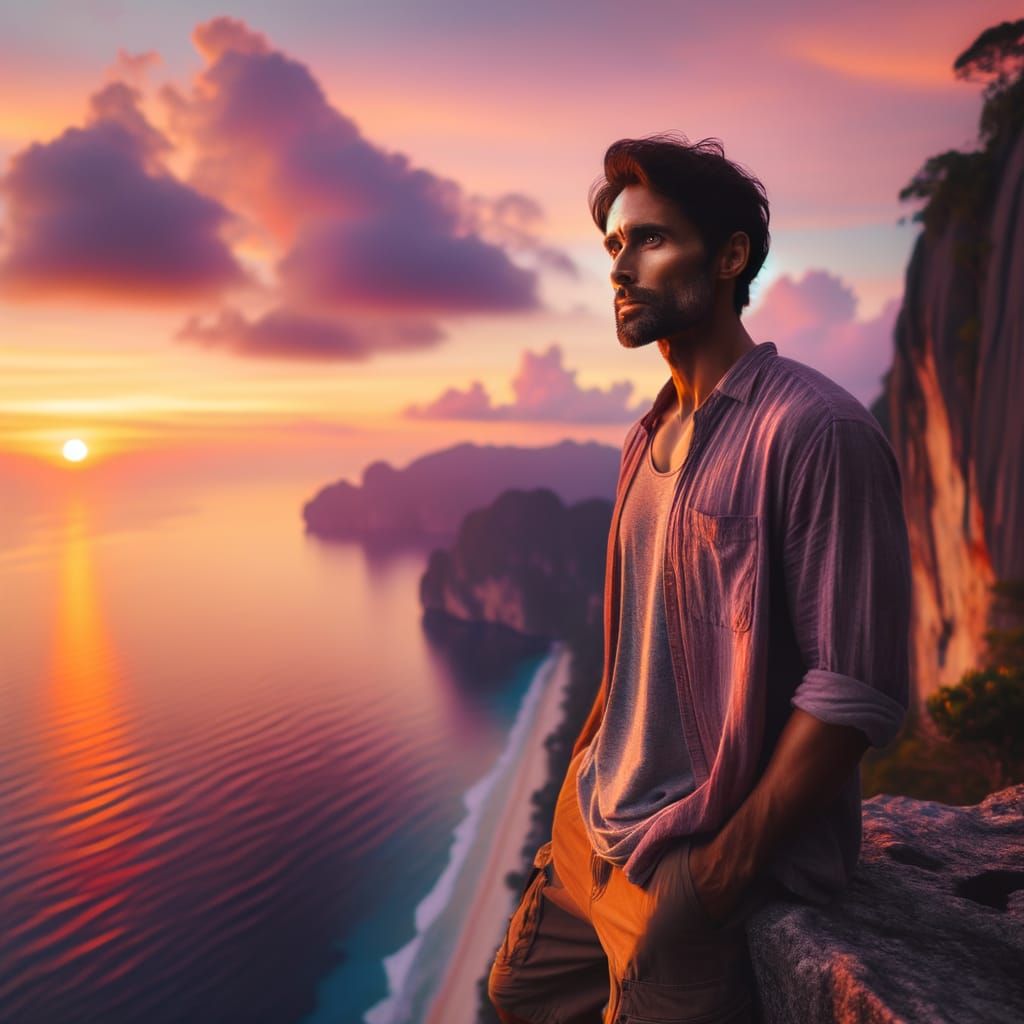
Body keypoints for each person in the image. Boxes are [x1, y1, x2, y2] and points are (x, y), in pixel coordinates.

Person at [487, 132, 912, 1024]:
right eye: (613, 245)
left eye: (651, 239)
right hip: (587, 832)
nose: (620, 266)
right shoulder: (646, 438)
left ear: (729, 257)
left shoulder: (814, 431)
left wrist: (715, 879)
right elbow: (635, 645)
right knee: (515, 993)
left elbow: (854, 690)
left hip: (686, 864)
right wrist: (574, 792)